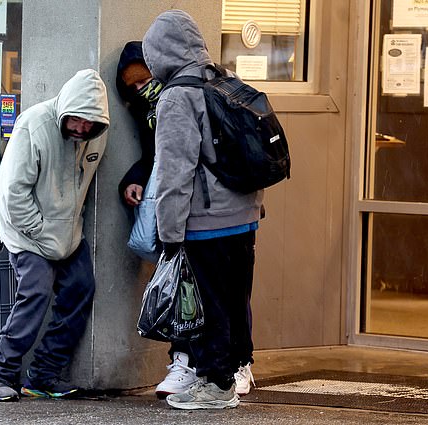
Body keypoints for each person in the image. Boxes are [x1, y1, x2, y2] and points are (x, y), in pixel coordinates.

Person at [142, 10, 261, 409]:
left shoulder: (178, 96)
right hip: (244, 217)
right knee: (234, 299)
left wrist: (169, 232)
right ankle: (236, 371)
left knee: (206, 305)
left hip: (205, 222)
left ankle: (215, 385)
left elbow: (174, 172)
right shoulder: (227, 81)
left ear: (160, 53)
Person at [0, 69, 110, 402]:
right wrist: (39, 229)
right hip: (29, 233)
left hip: (67, 234)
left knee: (81, 289)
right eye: (76, 119)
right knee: (35, 295)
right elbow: (11, 194)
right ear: (65, 109)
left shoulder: (96, 135)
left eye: (88, 123)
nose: (81, 128)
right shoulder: (34, 125)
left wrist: (65, 230)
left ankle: (44, 375)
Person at [115, 41, 198, 398]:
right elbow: (153, 155)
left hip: (203, 208)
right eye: (132, 88)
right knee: (183, 289)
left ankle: (232, 364)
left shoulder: (182, 98)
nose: (140, 90)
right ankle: (184, 362)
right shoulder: (148, 109)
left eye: (143, 81)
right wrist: (131, 180)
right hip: (174, 208)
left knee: (214, 289)